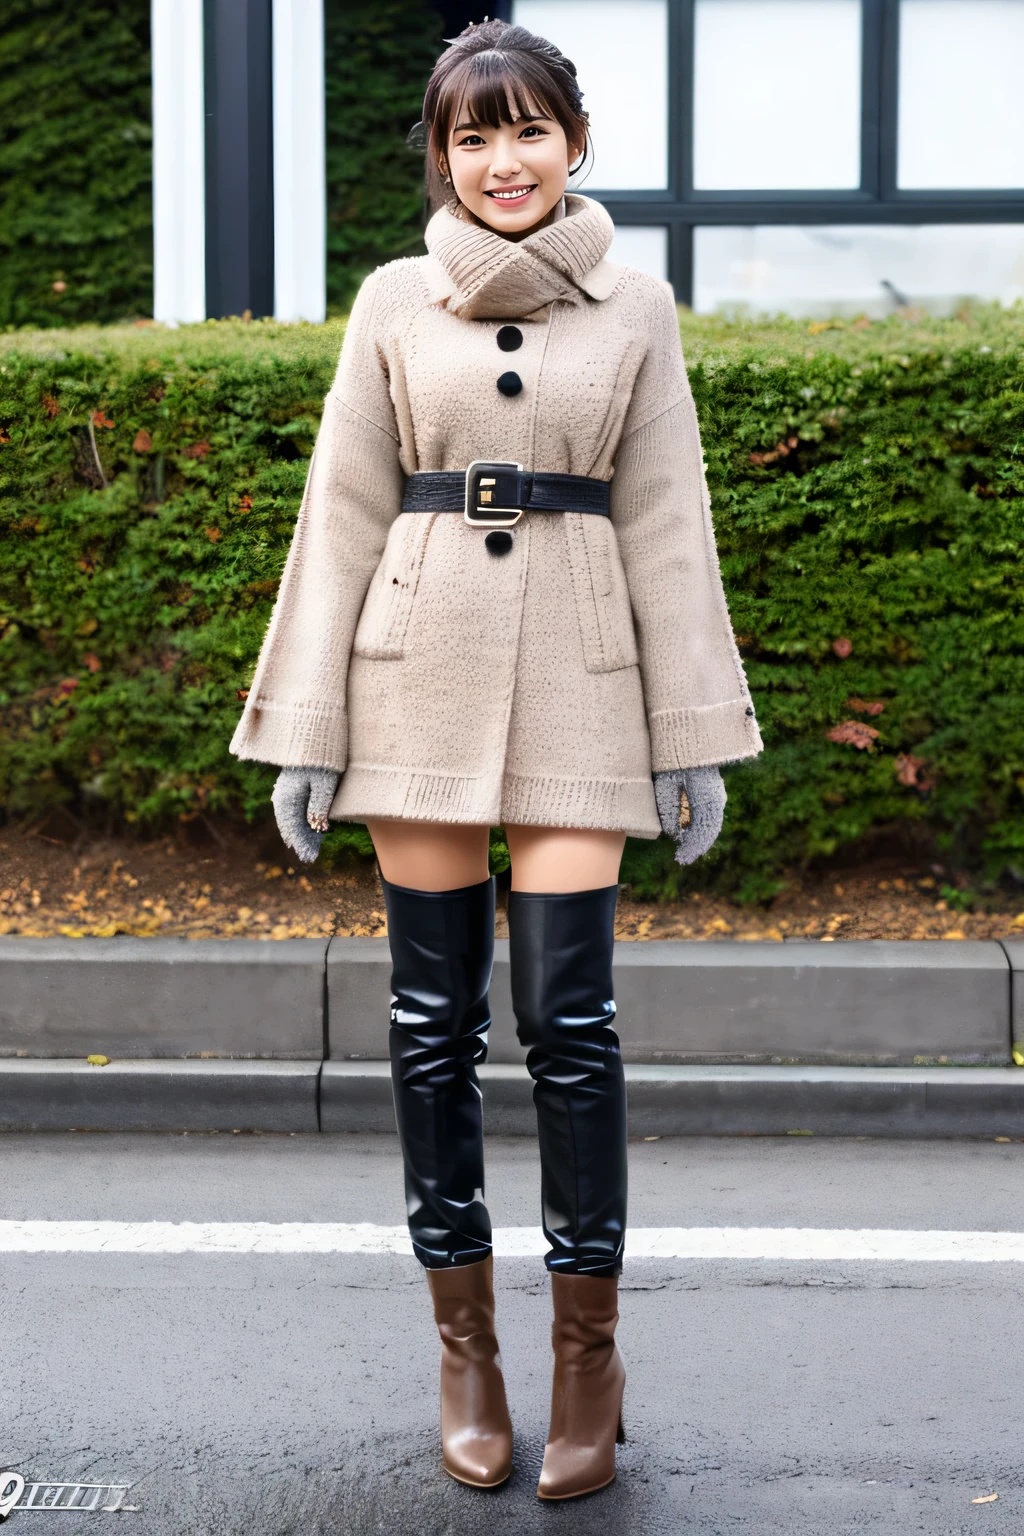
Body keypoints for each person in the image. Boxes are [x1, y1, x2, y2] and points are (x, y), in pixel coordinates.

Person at [230, 17, 761, 1502]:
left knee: (570, 1022)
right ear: (445, 157)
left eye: (528, 130)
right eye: (474, 136)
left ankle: (588, 1363)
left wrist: (693, 732)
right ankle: (467, 1353)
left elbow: (668, 520)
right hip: (415, 678)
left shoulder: (635, 304)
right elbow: (339, 509)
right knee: (428, 1025)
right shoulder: (394, 300)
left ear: (574, 143)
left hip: (585, 685)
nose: (503, 160)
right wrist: (307, 728)